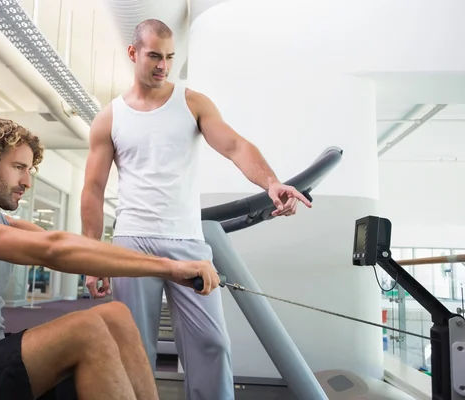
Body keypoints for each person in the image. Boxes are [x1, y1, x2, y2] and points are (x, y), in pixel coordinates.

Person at [0, 117, 221, 400]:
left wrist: (136, 265)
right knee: (85, 329)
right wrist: (169, 267)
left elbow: (75, 246)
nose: (26, 182)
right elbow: (52, 248)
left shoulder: (4, 223)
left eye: (29, 170)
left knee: (116, 315)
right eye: (18, 167)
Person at [81, 18, 313, 399]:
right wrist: (92, 255)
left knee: (212, 345)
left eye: (170, 57)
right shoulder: (110, 117)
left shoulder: (192, 102)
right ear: (133, 53)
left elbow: (235, 145)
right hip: (131, 243)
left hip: (186, 240)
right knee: (133, 351)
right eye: (154, 55)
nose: (163, 66)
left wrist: (271, 183)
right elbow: (92, 189)